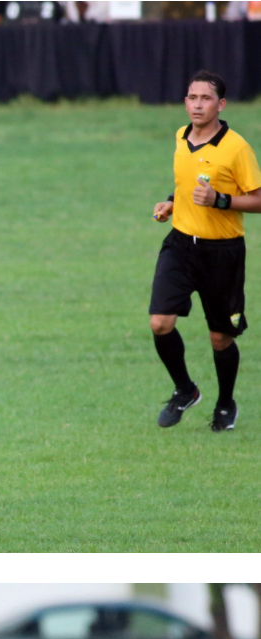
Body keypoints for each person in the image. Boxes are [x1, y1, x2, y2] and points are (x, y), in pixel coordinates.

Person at [151, 70, 261, 431]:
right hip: (180, 245)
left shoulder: (237, 148)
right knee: (160, 322)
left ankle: (226, 403)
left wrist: (221, 200)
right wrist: (172, 203)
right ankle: (185, 390)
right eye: (192, 98)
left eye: (206, 99)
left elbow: (258, 199)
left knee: (220, 337)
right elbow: (186, 183)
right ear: (185, 102)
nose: (198, 105)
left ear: (221, 104)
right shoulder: (181, 136)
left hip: (223, 254)